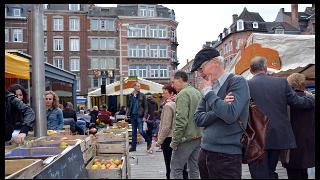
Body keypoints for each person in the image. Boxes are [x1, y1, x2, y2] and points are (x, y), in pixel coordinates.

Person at [247, 56, 315, 179]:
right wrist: (310, 98)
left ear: (251, 70)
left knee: (260, 173)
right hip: (277, 136)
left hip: (255, 137)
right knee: (270, 170)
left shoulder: (246, 85)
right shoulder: (281, 82)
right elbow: (298, 102)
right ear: (265, 68)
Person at [190, 47, 250, 179]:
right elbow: (198, 119)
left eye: (201, 68)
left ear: (215, 62)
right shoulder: (209, 87)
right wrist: (220, 106)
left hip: (227, 155)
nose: (200, 73)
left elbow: (230, 115)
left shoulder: (237, 82)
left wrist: (209, 94)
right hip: (205, 151)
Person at [170, 71, 202, 179]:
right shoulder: (196, 92)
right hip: (198, 136)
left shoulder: (182, 94)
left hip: (186, 138)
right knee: (194, 168)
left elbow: (181, 121)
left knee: (176, 168)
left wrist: (175, 141)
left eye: (173, 82)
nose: (172, 85)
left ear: (180, 80)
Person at [282, 73, 315, 179]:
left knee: (293, 174)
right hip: (308, 142)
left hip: (291, 144)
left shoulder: (286, 101)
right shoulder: (311, 99)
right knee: (304, 172)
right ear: (302, 84)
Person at [126, 82, 151, 152]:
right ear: (134, 87)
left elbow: (146, 107)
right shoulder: (130, 95)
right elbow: (128, 106)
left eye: (139, 86)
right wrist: (126, 114)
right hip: (132, 116)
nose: (139, 87)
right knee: (134, 132)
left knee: (141, 131)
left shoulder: (142, 95)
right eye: (138, 86)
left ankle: (148, 140)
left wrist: (145, 116)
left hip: (140, 116)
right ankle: (133, 147)